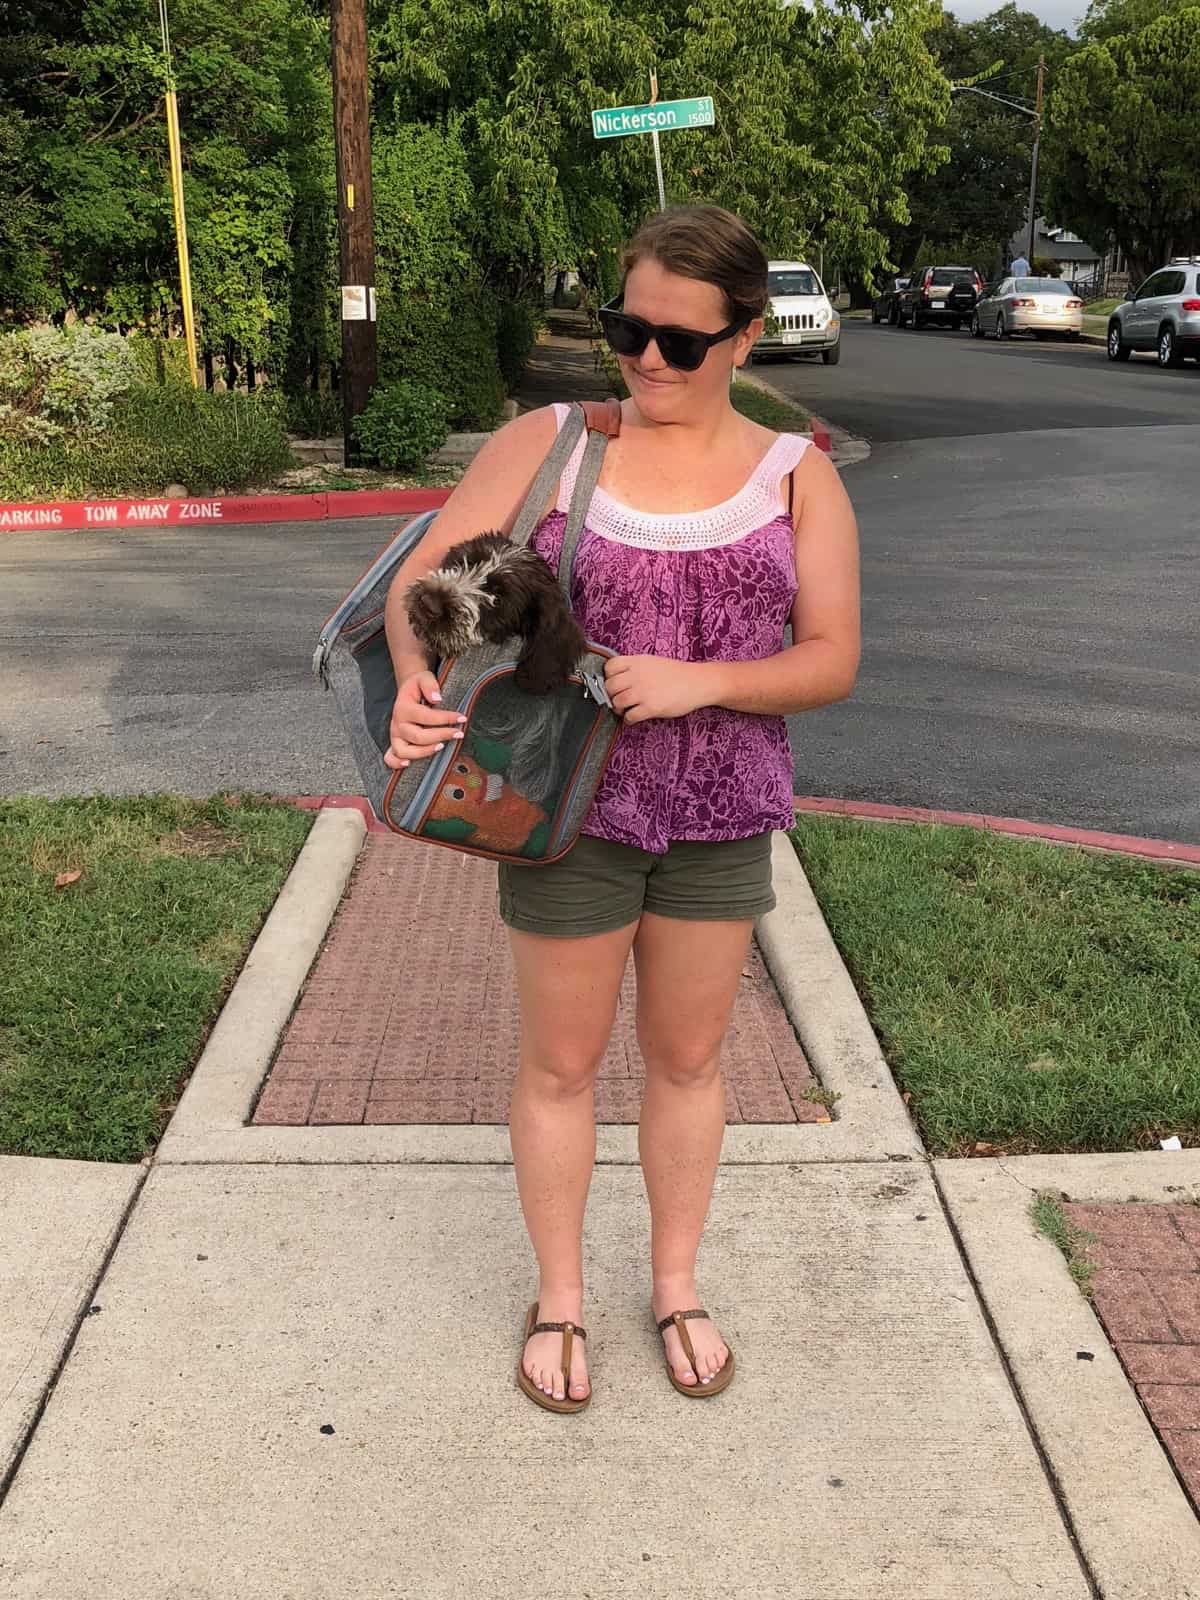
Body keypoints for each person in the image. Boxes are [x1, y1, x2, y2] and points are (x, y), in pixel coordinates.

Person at [381, 205, 861, 1413]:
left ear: (745, 338)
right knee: (560, 1063)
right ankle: (559, 1298)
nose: (649, 360)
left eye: (681, 342)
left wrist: (709, 682)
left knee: (691, 1060)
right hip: (560, 807)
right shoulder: (550, 443)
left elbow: (834, 657)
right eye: (627, 329)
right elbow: (420, 590)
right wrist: (414, 686)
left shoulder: (794, 477)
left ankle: (677, 1283)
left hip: (721, 807)